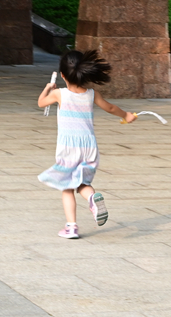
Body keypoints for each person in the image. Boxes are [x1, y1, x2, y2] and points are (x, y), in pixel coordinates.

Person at [37, 49, 137, 239]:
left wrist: (48, 88)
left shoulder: (59, 94)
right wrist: (126, 115)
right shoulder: (92, 94)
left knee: (67, 187)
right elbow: (110, 107)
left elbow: (41, 103)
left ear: (63, 75)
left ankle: (71, 227)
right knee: (83, 183)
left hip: (68, 147)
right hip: (89, 146)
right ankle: (92, 198)